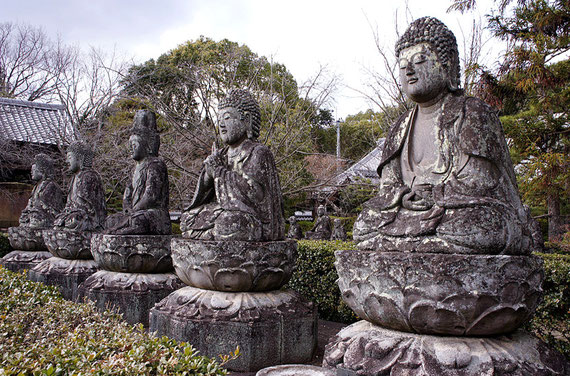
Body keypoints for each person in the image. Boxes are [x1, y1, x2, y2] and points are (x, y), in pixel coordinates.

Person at [353, 17, 533, 255]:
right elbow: (388, 186)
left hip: (457, 211)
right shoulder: (400, 126)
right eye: (403, 63)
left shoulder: (472, 112)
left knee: (481, 225)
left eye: (420, 60)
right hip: (413, 213)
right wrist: (402, 197)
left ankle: (413, 243)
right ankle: (422, 242)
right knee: (364, 224)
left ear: (446, 64)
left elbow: (481, 181)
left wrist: (434, 194)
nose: (409, 70)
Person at [180, 89, 284, 241]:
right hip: (223, 211)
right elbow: (205, 195)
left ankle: (212, 234)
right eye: (219, 118)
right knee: (187, 218)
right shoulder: (221, 154)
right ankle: (215, 234)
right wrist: (208, 174)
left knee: (231, 222)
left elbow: (256, 196)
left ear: (246, 120)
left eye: (227, 118)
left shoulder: (257, 152)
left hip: (251, 218)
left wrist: (219, 172)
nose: (221, 124)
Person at [105, 110, 171, 235]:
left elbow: (151, 196)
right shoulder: (134, 168)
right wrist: (127, 208)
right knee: (111, 219)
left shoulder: (156, 165)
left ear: (147, 145)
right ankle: (124, 227)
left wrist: (135, 210)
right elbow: (128, 193)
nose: (131, 148)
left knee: (139, 219)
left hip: (153, 214)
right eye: (130, 144)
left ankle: (125, 229)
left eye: (134, 145)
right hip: (135, 212)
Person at [53, 142, 106, 232]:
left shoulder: (89, 176)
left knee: (74, 219)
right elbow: (70, 203)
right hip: (74, 214)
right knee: (60, 219)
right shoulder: (75, 177)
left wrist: (73, 212)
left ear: (79, 158)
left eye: (70, 158)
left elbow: (89, 208)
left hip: (88, 219)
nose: (67, 161)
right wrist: (67, 212)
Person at [18, 153, 65, 228]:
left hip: (45, 215)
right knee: (24, 218)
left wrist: (35, 211)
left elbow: (45, 205)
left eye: (34, 170)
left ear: (42, 170)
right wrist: (27, 211)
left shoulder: (50, 185)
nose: (31, 172)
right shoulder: (36, 187)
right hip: (35, 214)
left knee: (36, 218)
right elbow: (31, 203)